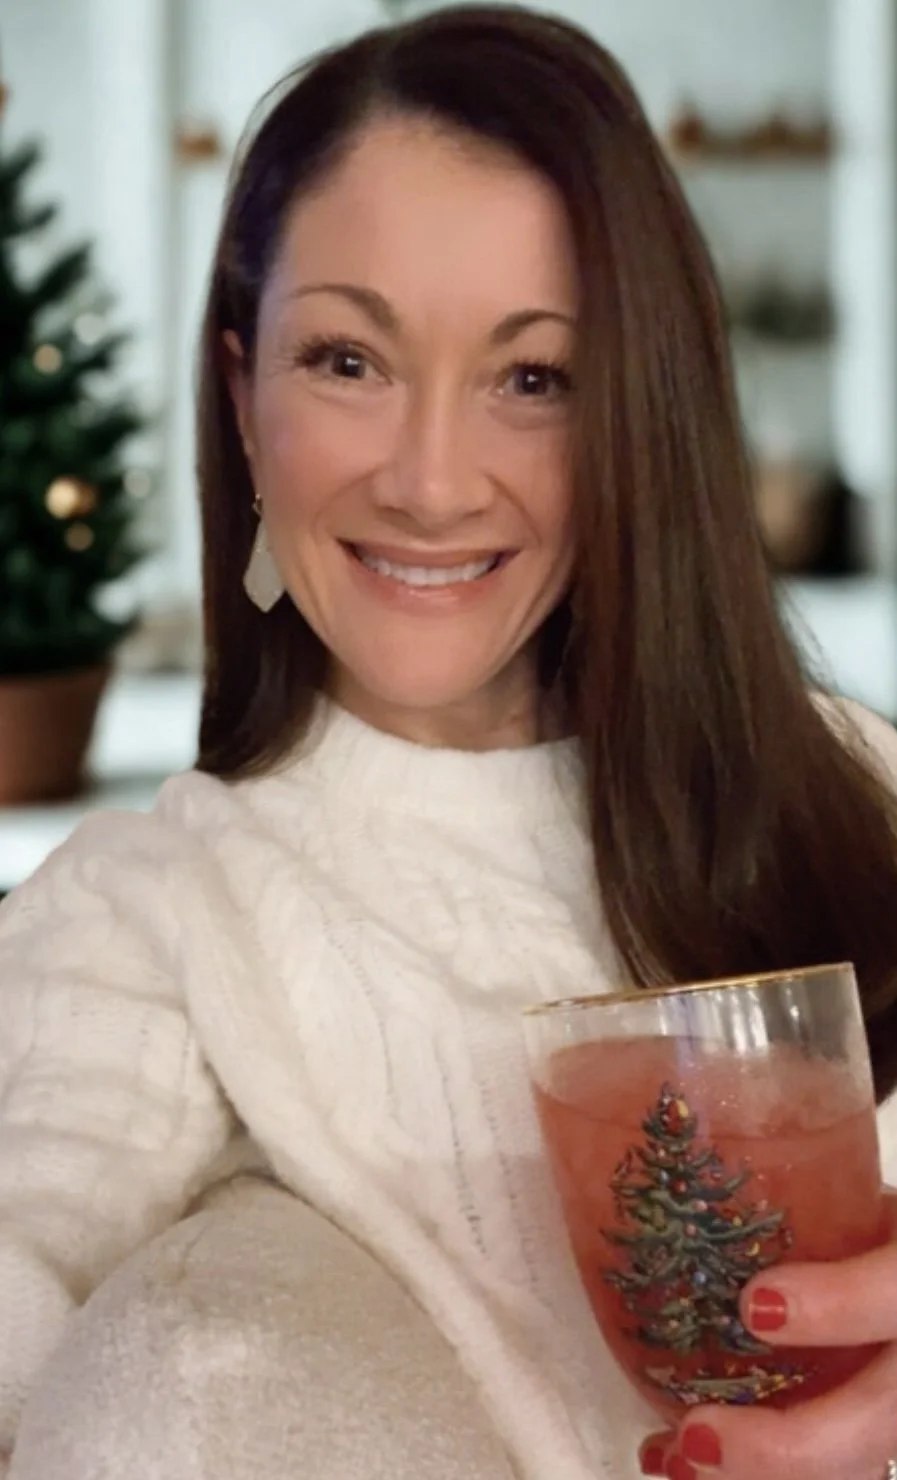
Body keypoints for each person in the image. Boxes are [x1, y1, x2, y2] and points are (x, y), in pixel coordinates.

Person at [0, 6, 896, 1479]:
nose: (431, 481)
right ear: (243, 396)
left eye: (533, 378)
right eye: (348, 360)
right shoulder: (146, 919)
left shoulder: (858, 788)